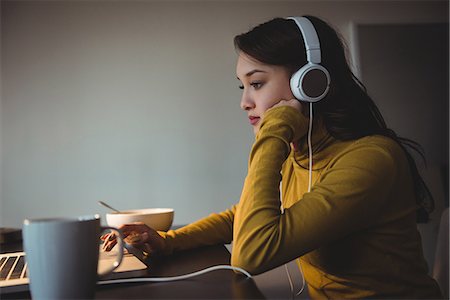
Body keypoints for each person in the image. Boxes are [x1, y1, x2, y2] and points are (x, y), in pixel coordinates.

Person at [103, 16, 443, 299]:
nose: (245, 102)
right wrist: (168, 242)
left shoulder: (372, 160)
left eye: (257, 83)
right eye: (242, 86)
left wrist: (274, 132)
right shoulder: (303, 152)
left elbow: (251, 254)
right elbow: (241, 216)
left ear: (310, 83)